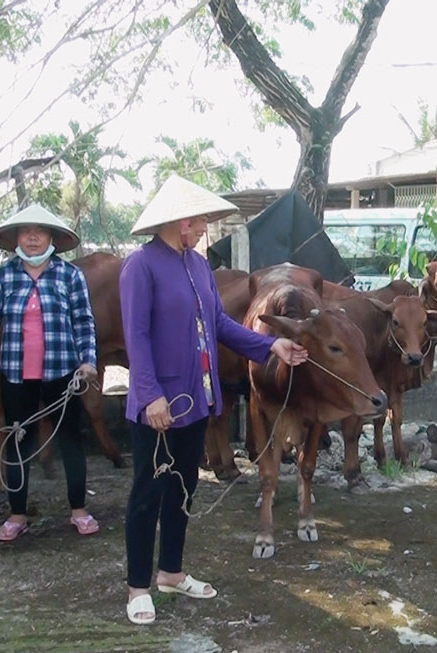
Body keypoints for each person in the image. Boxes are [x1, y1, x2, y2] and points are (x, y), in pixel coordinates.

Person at [119, 174, 308, 625]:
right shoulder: (139, 267)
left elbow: (219, 324)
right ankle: (137, 587)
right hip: (158, 405)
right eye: (201, 218)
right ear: (181, 221)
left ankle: (172, 572)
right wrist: (150, 396)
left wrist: (270, 346)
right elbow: (136, 338)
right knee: (148, 494)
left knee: (183, 490)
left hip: (196, 400)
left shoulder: (198, 265)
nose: (206, 226)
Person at [0, 204, 99, 542]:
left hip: (63, 372)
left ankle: (79, 510)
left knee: (70, 442)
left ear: (53, 237)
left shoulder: (69, 275)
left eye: (40, 231)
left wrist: (88, 361)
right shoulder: (5, 275)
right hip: (15, 374)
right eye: (26, 231)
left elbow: (83, 321)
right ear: (16, 239)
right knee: (16, 444)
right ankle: (17, 515)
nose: (34, 237)